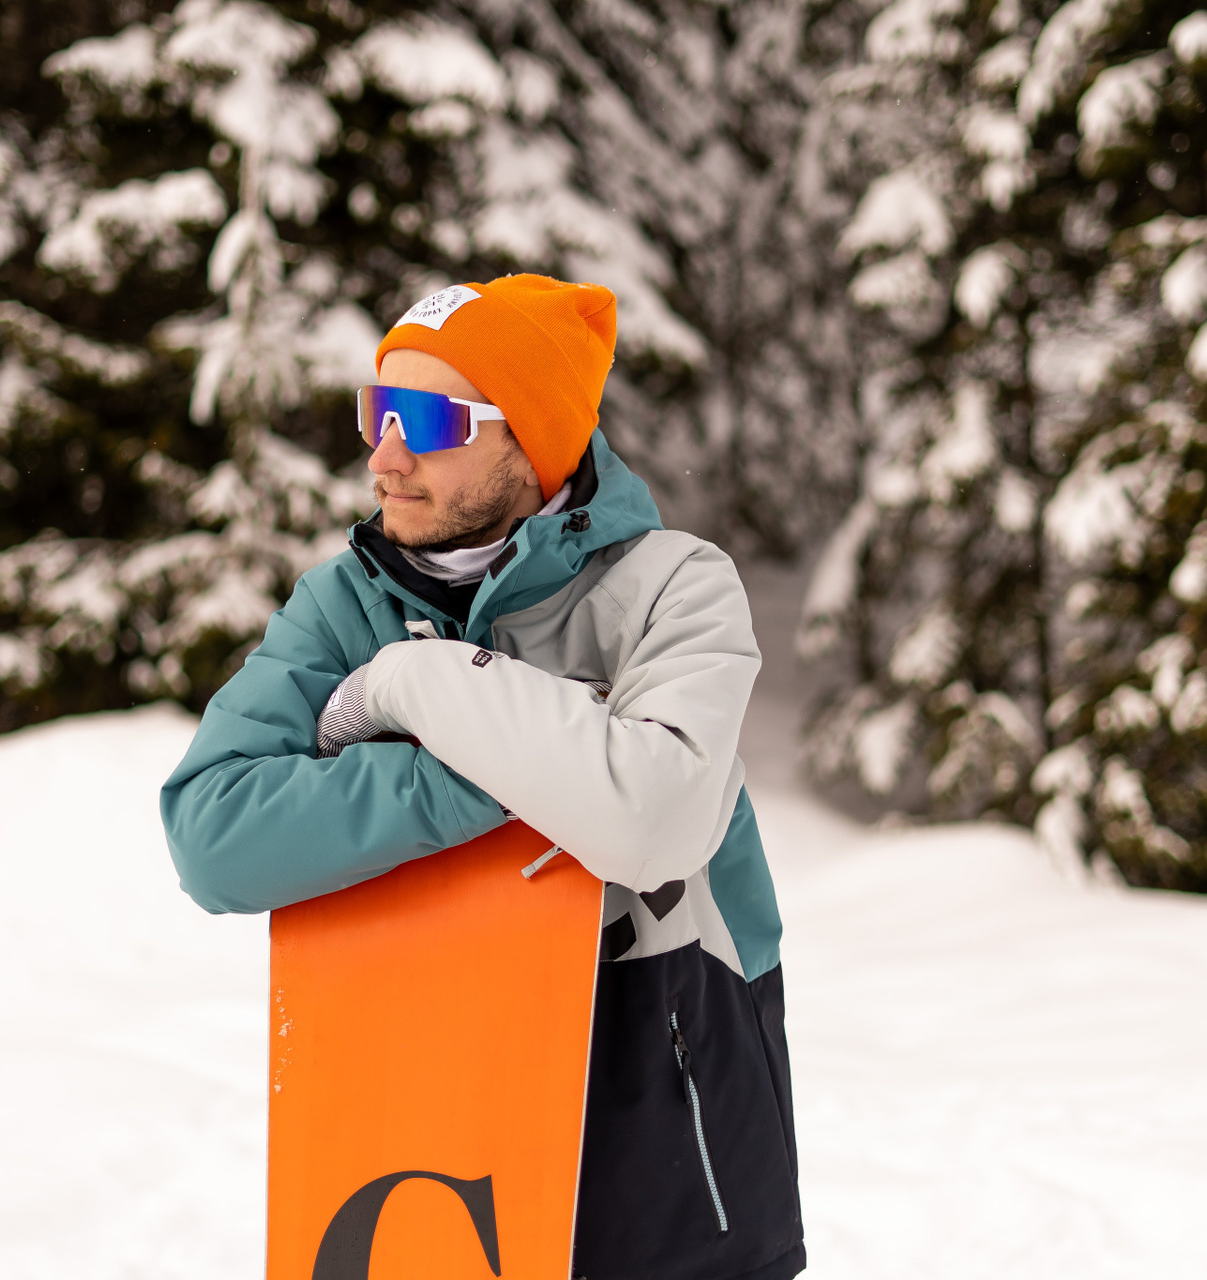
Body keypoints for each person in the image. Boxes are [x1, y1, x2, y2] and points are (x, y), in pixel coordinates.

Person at [160, 273, 803, 1280]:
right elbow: (213, 836)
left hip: (671, 1145)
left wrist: (413, 685)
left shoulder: (674, 586)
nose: (386, 455)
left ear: (532, 443)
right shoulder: (342, 606)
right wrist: (513, 768)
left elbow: (653, 821)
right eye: (377, 410)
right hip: (427, 1126)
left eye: (428, 420)